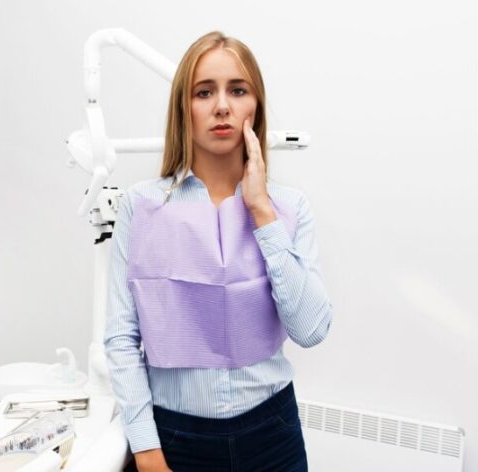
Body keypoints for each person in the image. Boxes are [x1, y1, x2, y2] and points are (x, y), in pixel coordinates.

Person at [104, 31, 333, 472]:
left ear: (255, 108)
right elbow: (121, 338)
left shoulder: (288, 209)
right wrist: (146, 450)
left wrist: (261, 211)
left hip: (271, 436)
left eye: (238, 90)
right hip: (173, 439)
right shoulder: (141, 206)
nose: (222, 106)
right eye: (204, 92)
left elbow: (311, 329)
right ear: (183, 109)